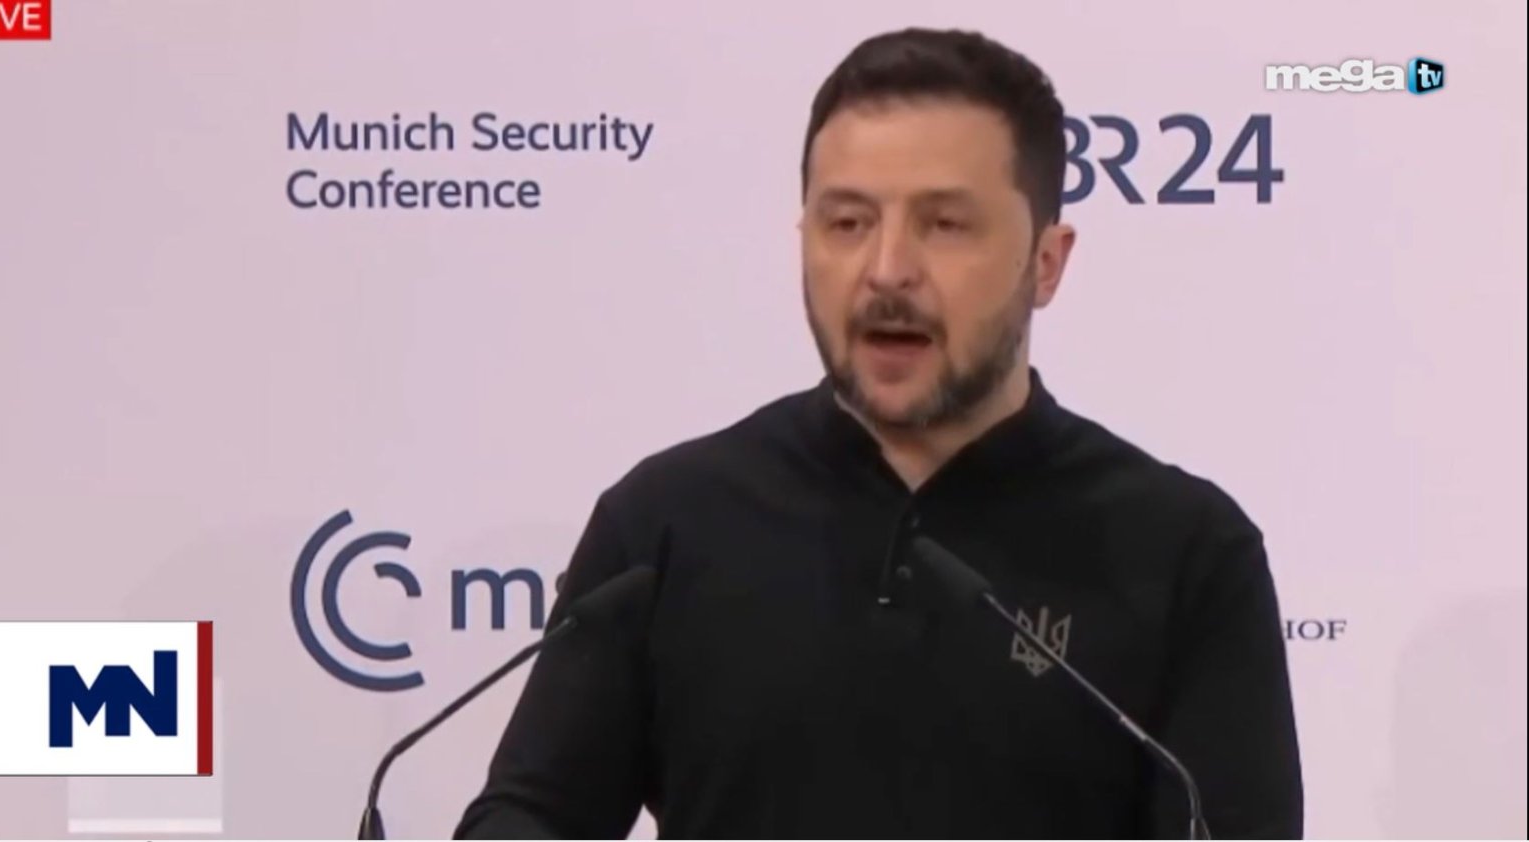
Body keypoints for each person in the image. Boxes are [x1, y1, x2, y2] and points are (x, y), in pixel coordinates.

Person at [454, 26, 1303, 840]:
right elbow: (531, 815)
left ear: (1047, 263)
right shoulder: (665, 522)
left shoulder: (1186, 551)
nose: (888, 271)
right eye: (848, 222)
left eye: (944, 224)